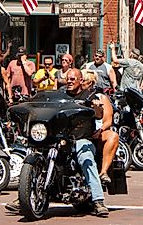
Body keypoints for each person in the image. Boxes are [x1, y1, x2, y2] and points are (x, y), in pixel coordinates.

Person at [63, 68, 110, 217]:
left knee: (86, 159)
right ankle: (24, 196)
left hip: (82, 139)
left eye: (72, 79)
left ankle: (98, 200)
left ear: (80, 81)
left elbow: (99, 115)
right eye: (67, 79)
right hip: (61, 140)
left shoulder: (90, 96)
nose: (69, 82)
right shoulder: (60, 95)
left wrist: (96, 107)